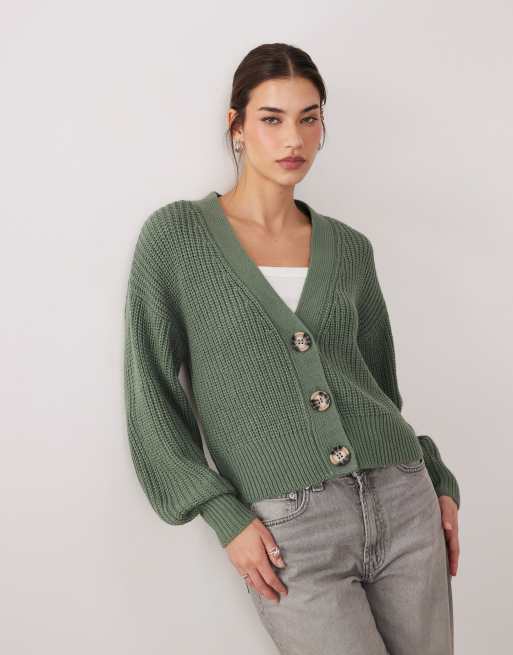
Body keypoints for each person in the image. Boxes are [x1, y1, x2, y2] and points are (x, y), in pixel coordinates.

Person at [123, 43, 460, 655]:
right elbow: (152, 396)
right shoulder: (176, 239)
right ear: (236, 126)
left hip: (405, 498)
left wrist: (435, 477)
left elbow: (381, 388)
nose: (293, 138)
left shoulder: (350, 248)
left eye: (309, 118)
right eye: (272, 118)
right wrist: (224, 515)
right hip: (289, 527)